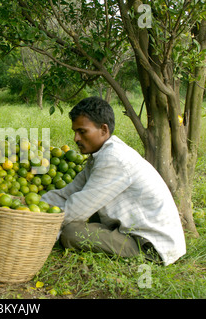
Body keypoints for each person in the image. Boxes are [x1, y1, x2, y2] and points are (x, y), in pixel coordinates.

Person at [41, 96, 186, 266]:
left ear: (103, 129)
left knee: (70, 233)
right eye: (75, 132)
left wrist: (40, 225)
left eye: (82, 131)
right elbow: (69, 192)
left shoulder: (114, 159)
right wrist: (35, 207)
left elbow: (78, 208)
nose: (76, 138)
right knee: (73, 225)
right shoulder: (99, 156)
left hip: (150, 245)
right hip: (131, 231)